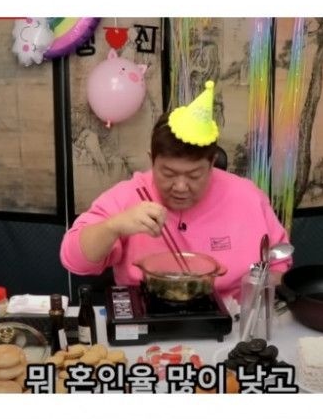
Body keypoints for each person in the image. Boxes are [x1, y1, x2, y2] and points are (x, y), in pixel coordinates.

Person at [60, 66, 292, 321]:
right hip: (148, 318)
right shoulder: (130, 195)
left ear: (212, 163)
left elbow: (279, 263)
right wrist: (114, 226)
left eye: (194, 175)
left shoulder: (247, 196)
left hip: (235, 321)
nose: (181, 186)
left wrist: (259, 298)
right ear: (152, 160)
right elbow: (74, 260)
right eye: (168, 173)